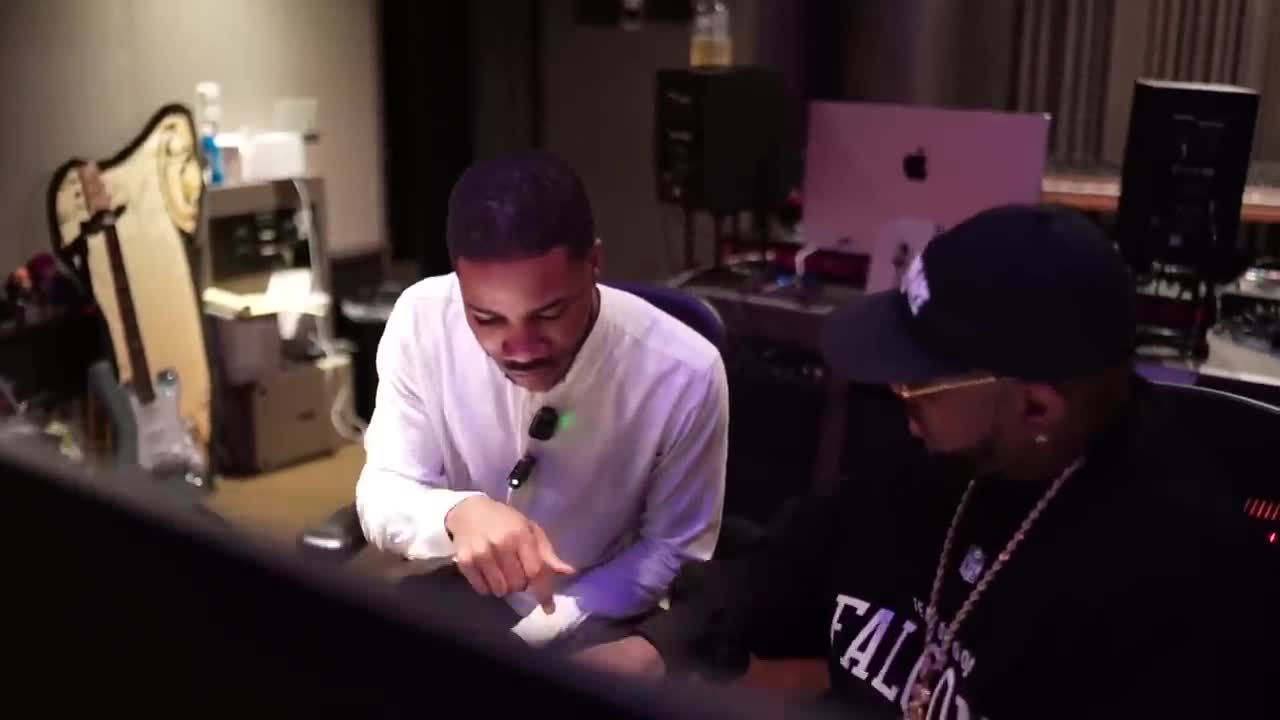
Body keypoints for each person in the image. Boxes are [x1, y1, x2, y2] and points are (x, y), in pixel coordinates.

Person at [573, 204, 1269, 718]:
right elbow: (783, 564)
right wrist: (657, 647)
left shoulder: (1177, 578)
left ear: (1036, 408)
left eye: (918, 385)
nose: (897, 397)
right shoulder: (941, 458)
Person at [355, 151, 729, 650]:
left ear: (594, 264)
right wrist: (456, 512)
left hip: (604, 604)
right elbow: (384, 488)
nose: (522, 349)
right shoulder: (423, 320)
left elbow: (671, 551)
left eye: (549, 314)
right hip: (470, 588)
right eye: (487, 319)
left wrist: (540, 632)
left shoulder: (685, 372)